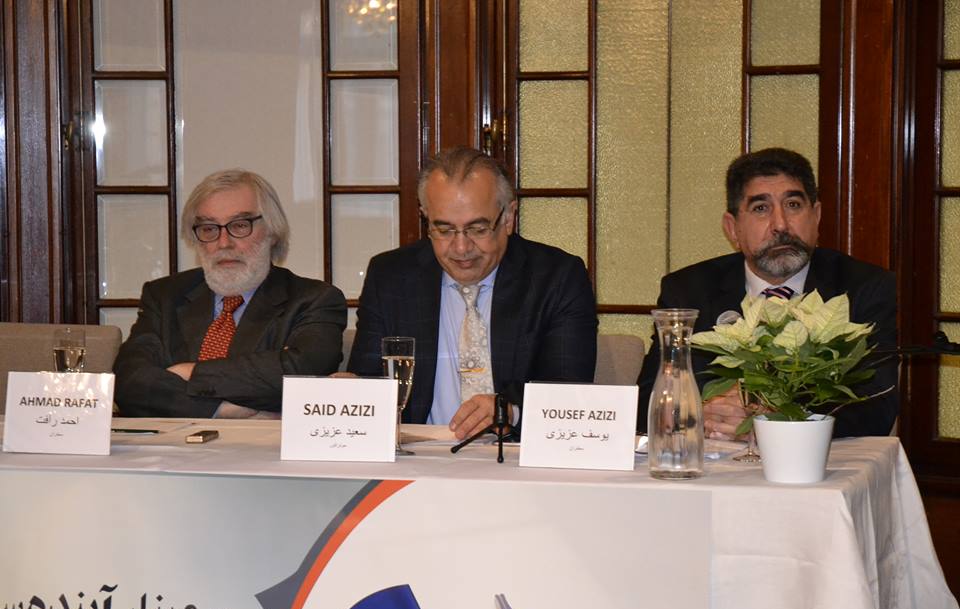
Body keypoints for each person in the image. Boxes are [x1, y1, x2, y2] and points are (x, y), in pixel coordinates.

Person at [636, 147, 898, 439]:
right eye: (761, 208)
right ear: (732, 228)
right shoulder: (688, 291)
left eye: (793, 205)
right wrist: (701, 412)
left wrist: (773, 420)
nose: (781, 225)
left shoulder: (864, 288)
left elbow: (877, 407)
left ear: (816, 216)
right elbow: (646, 401)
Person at [347, 146, 598, 440]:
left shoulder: (556, 278)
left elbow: (567, 390)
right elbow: (367, 381)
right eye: (444, 230)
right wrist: (347, 391)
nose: (461, 247)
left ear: (508, 218)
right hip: (419, 453)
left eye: (478, 229)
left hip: (517, 453)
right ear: (426, 218)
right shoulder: (391, 277)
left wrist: (508, 411)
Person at [114, 169, 347, 418]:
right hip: (174, 441)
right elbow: (128, 381)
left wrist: (192, 372)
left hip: (261, 443)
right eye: (209, 229)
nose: (224, 243)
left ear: (272, 231)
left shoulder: (314, 300)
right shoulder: (164, 295)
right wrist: (220, 410)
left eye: (240, 225)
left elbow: (301, 375)